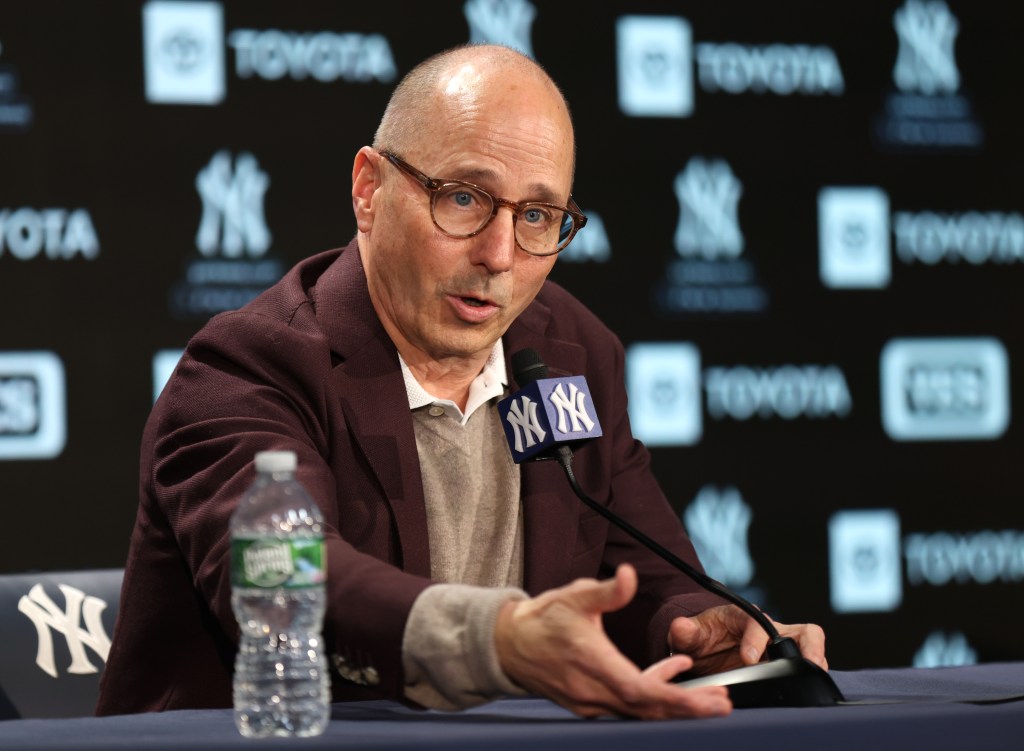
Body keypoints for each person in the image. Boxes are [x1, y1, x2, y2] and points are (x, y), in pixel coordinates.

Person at [97, 44, 825, 721]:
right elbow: (286, 579)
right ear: (369, 189)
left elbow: (637, 568)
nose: (500, 255)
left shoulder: (572, 354)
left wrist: (700, 627)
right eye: (465, 198)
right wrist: (501, 638)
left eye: (538, 215)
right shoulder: (250, 367)